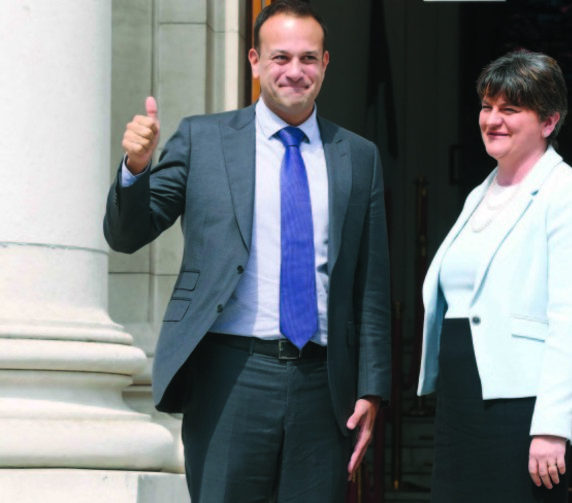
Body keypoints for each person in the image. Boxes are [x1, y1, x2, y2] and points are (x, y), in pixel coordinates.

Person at [103, 1, 391, 501]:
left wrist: (372, 387)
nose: (294, 71)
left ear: (325, 65)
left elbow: (371, 284)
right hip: (229, 377)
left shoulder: (358, 156)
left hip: (323, 386)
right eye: (280, 57)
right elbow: (128, 235)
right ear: (255, 62)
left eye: (308, 58)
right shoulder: (202, 138)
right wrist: (135, 167)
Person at [417, 50, 572, 502]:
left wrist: (551, 426)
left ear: (548, 122)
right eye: (487, 106)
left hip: (523, 408)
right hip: (463, 399)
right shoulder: (480, 194)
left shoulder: (571, 196)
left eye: (510, 109)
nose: (492, 119)